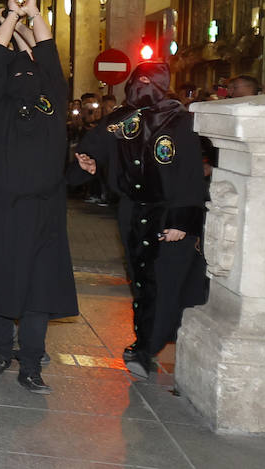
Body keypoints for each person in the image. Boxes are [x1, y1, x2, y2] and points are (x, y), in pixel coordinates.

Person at [0, 0, 74, 393]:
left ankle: (30, 365)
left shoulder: (54, 98)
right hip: (0, 208)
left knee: (37, 292)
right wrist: (9, 16)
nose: (25, 74)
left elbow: (47, 50)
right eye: (16, 71)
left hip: (44, 210)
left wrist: (34, 13)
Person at [75, 60, 208, 379]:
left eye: (151, 82)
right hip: (133, 213)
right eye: (139, 82)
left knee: (165, 282)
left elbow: (190, 174)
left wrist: (182, 220)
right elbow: (91, 149)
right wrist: (84, 163)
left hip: (168, 216)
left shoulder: (181, 122)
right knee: (141, 280)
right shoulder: (119, 120)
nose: (143, 88)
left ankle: (147, 347)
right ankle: (144, 341)